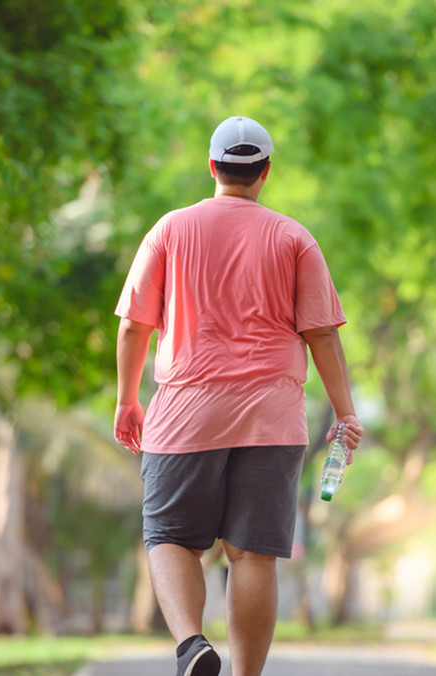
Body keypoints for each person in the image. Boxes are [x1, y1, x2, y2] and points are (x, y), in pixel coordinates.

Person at [113, 115, 364, 676]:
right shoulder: (294, 237)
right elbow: (321, 332)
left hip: (184, 415)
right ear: (265, 173)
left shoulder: (170, 229)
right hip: (270, 418)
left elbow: (134, 327)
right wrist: (345, 413)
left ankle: (191, 647)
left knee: (171, 537)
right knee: (252, 553)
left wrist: (128, 399)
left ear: (212, 167)